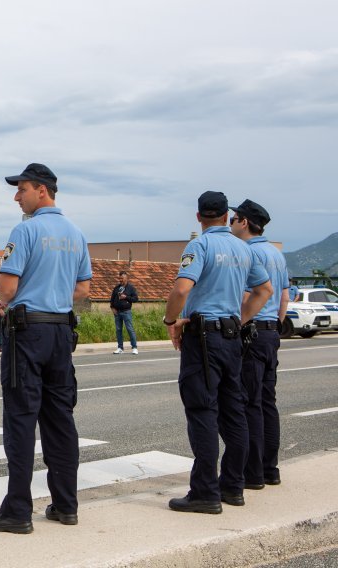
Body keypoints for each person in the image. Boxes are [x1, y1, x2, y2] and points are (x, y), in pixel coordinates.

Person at [0, 163, 92, 534]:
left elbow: (8, 288)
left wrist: (6, 300)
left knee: (21, 420)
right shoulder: (76, 234)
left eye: (22, 189)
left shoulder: (26, 230)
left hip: (27, 334)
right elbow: (83, 291)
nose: (17, 196)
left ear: (41, 191)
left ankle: (17, 511)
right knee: (60, 420)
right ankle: (65, 504)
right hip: (60, 332)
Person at [163, 191, 271, 514]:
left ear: (199, 217)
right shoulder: (243, 249)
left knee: (202, 411)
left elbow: (182, 288)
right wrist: (241, 318)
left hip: (204, 339)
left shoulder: (200, 245)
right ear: (226, 216)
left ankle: (205, 492)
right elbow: (264, 290)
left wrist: (171, 321)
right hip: (232, 337)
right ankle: (233, 486)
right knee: (233, 411)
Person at [229, 199, 288, 488]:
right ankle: (270, 468)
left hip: (251, 331)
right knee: (267, 402)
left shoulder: (247, 253)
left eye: (233, 219)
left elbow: (246, 295)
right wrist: (275, 325)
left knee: (247, 403)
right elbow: (284, 297)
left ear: (244, 222)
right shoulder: (275, 254)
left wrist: (239, 322)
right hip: (271, 333)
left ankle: (252, 473)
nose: (231, 224)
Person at [110, 271, 139, 355]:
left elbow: (136, 299)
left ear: (126, 278)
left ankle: (134, 347)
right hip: (117, 312)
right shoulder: (116, 288)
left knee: (130, 329)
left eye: (122, 278)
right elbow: (112, 299)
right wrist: (112, 308)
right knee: (118, 330)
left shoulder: (131, 288)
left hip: (126, 312)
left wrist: (126, 297)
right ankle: (120, 348)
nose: (120, 280)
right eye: (119, 278)